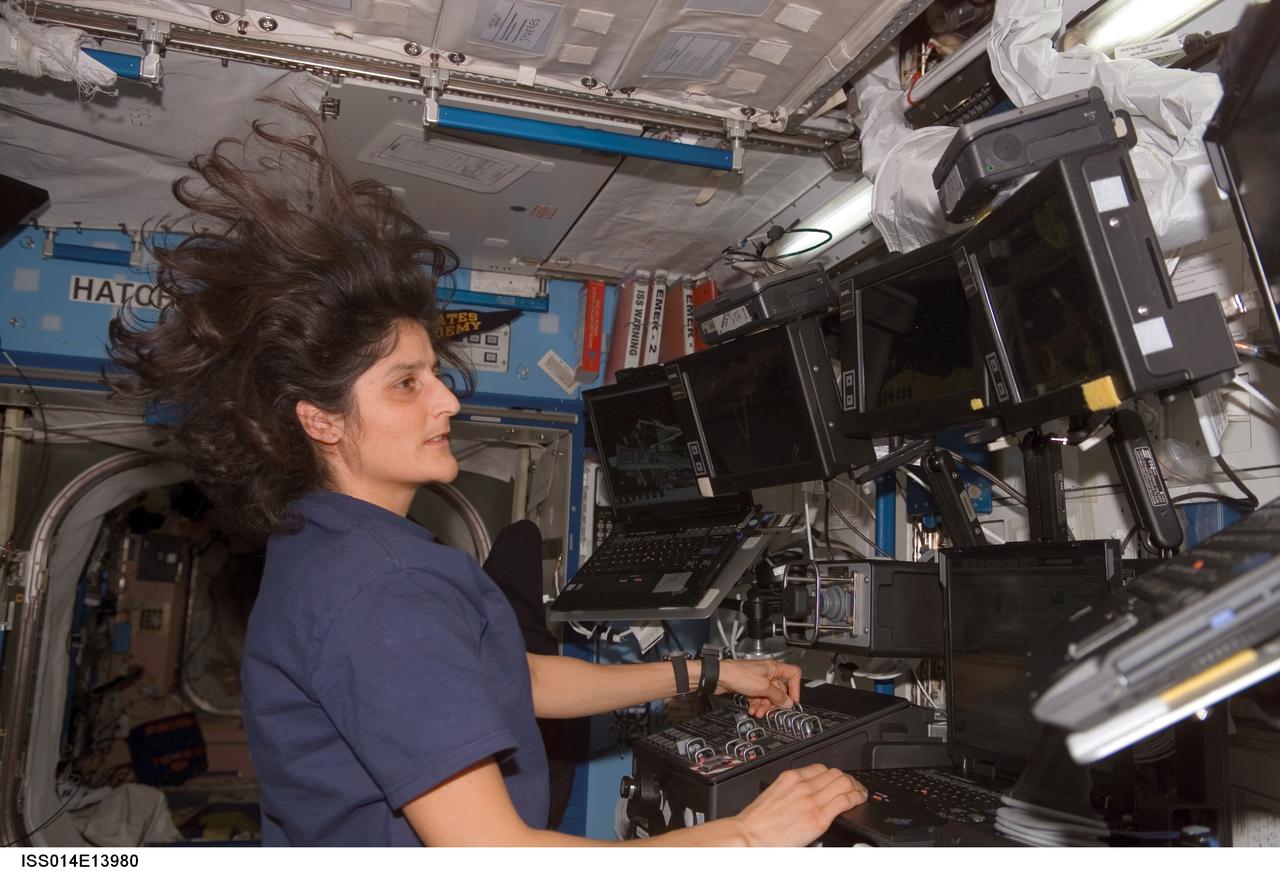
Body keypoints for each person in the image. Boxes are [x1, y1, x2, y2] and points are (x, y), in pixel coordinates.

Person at [108, 100, 867, 847]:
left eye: (434, 372)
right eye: (406, 382)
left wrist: (709, 670)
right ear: (322, 419)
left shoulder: (329, 543)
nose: (446, 398)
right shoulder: (380, 588)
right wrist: (749, 838)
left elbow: (517, 682)